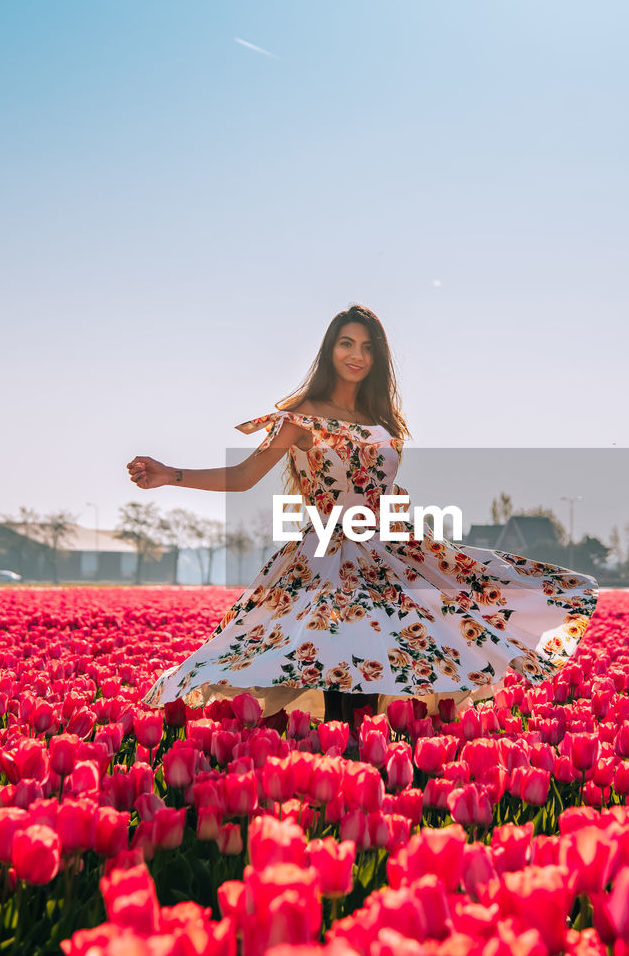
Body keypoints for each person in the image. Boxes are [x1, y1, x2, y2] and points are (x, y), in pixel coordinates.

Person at [127, 303, 599, 727]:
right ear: (329, 351)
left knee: (391, 654)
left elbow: (385, 489)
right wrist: (171, 474)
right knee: (332, 654)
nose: (357, 355)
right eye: (347, 344)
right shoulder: (301, 418)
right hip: (326, 553)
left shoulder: (384, 424)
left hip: (391, 548)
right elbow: (244, 475)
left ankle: (368, 762)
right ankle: (337, 756)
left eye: (368, 347)